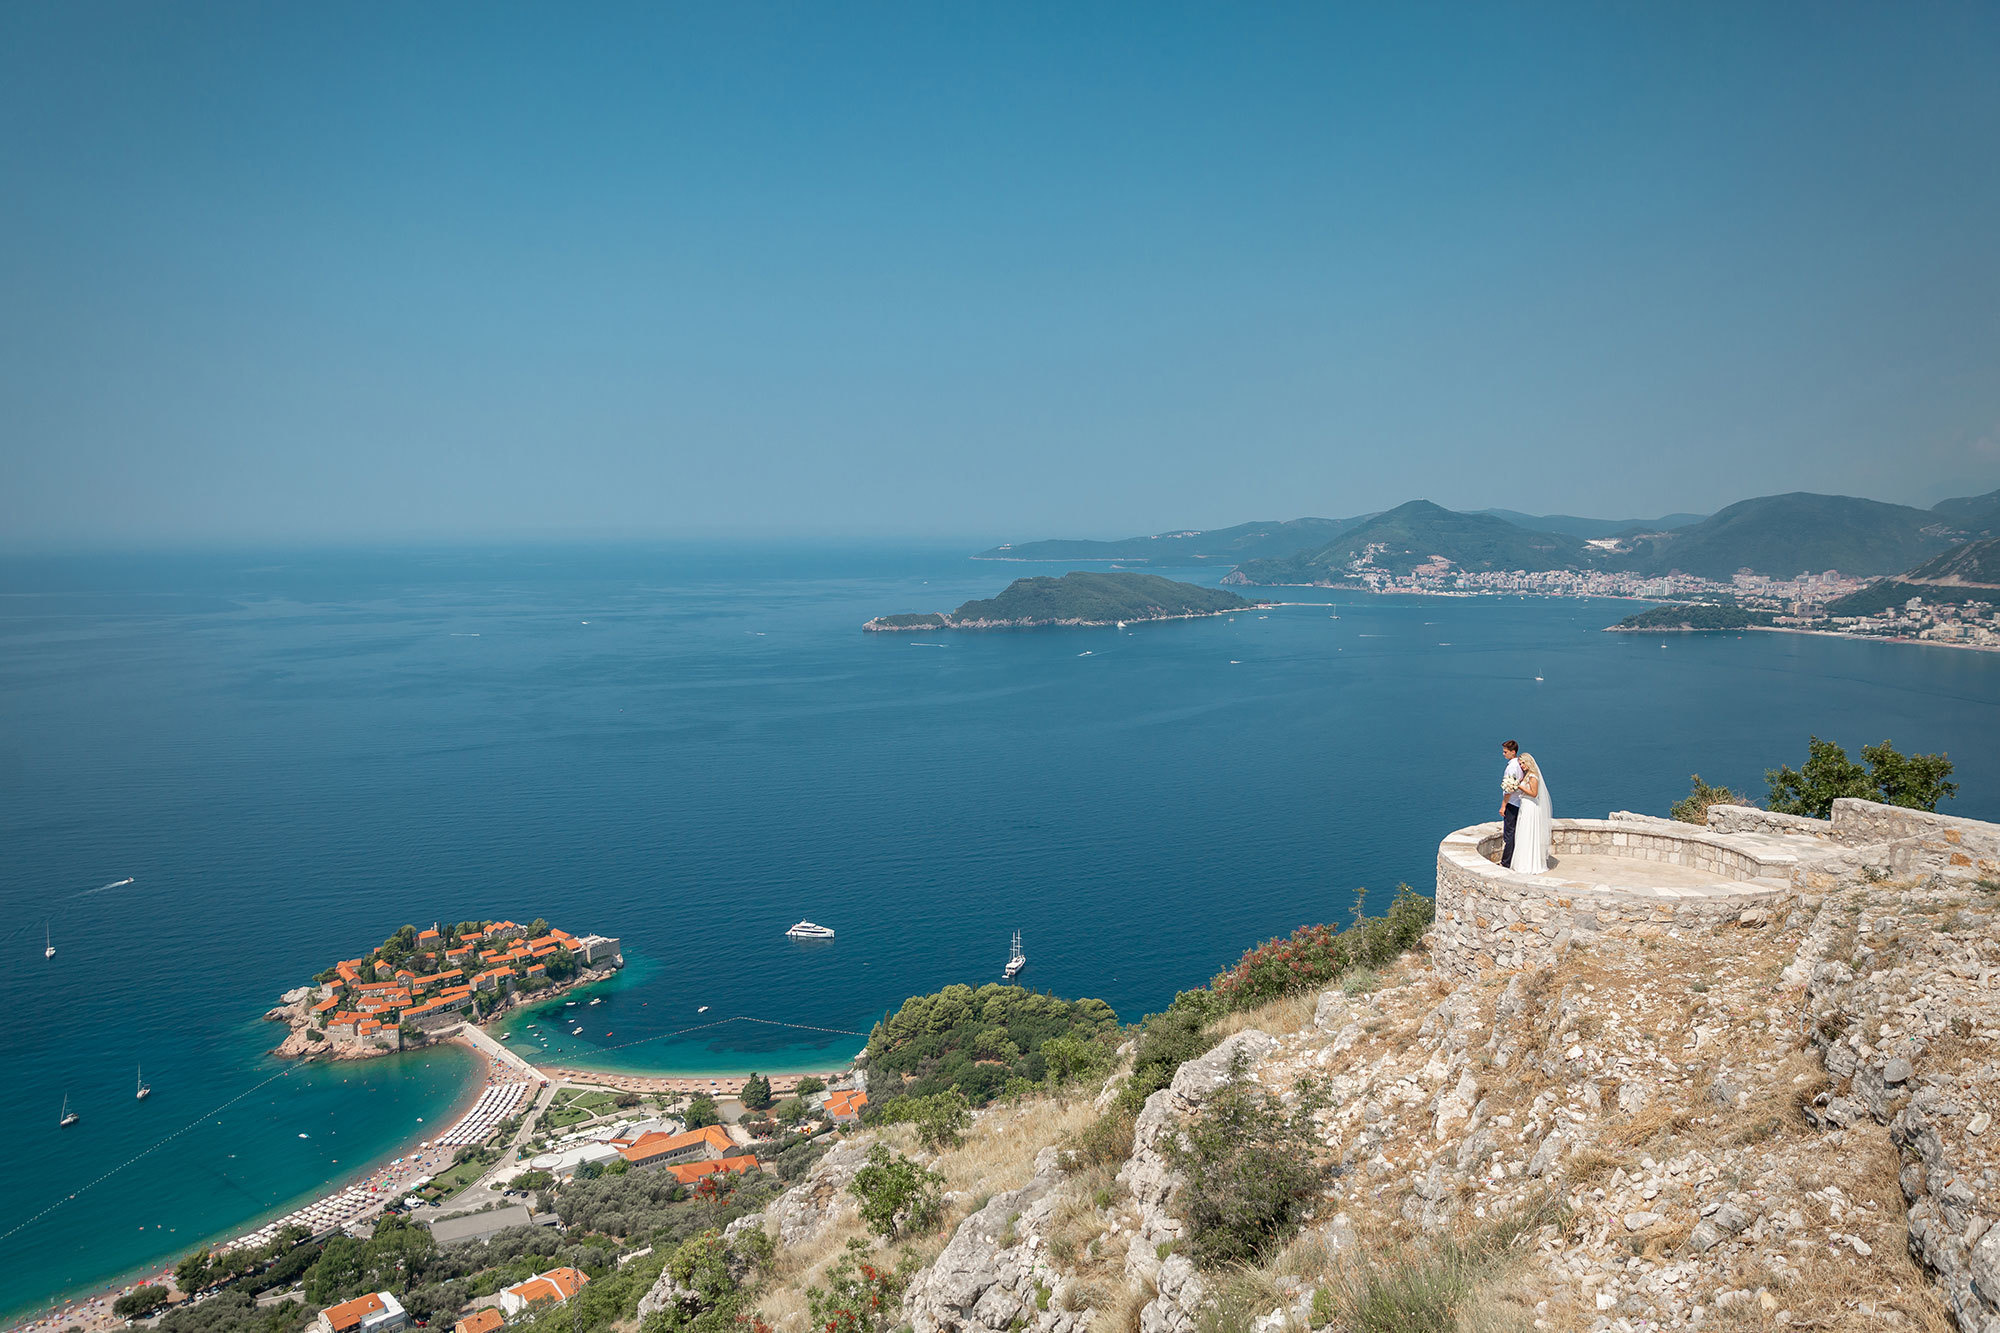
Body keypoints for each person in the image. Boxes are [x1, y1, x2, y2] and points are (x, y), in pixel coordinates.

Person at [1509, 750, 1555, 874]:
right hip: (1525, 806)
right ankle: (1523, 862)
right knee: (1523, 833)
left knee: (1529, 832)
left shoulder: (1533, 776)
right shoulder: (1527, 774)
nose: (1522, 766)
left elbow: (1534, 794)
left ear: (1529, 762)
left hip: (1531, 806)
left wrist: (1519, 786)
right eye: (1520, 763)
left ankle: (1529, 864)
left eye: (1523, 763)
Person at [1499, 741, 1524, 866]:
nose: (1503, 754)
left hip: (1512, 803)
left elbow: (1508, 789)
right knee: (1516, 832)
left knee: (1509, 834)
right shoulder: (1520, 764)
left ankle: (1506, 862)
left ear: (1513, 752)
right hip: (1519, 802)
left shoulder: (1511, 767)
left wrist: (1503, 806)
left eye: (1505, 752)